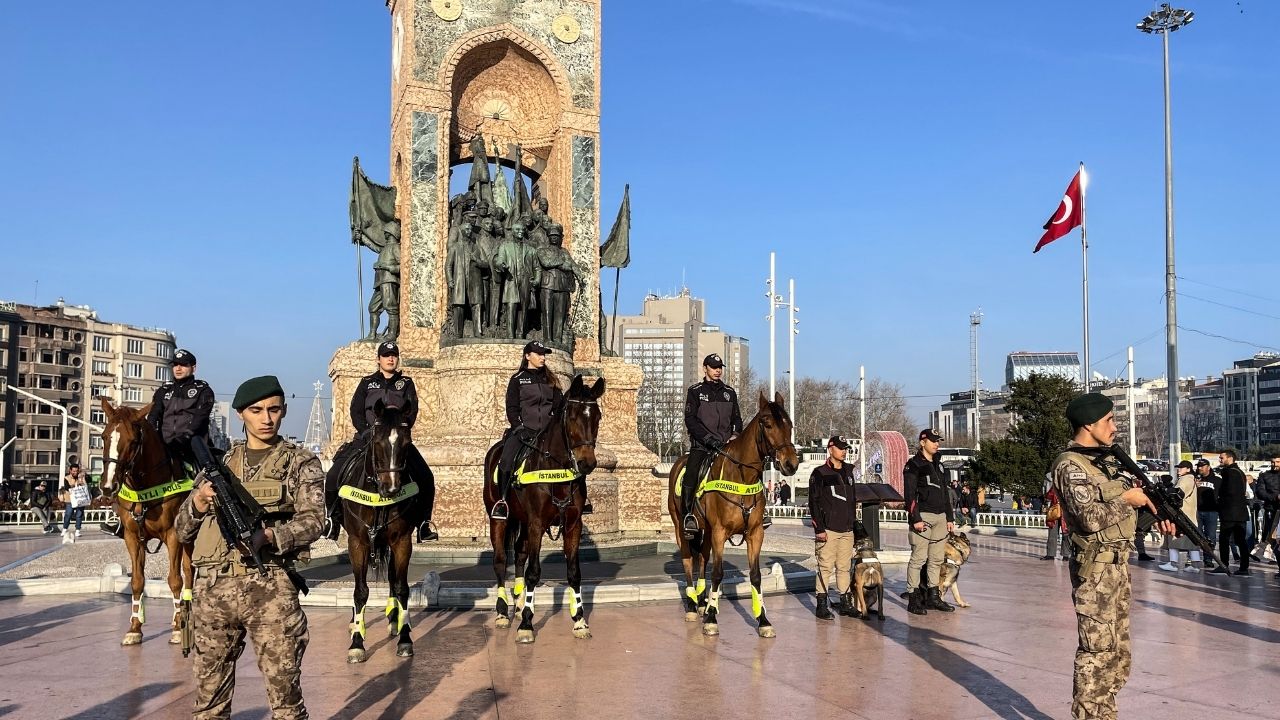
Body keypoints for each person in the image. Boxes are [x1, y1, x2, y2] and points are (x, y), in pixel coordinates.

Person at [175, 376, 324, 720]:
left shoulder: (300, 463)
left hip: (270, 588)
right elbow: (182, 530)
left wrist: (271, 537)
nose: (266, 418)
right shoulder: (221, 464)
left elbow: (314, 521)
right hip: (212, 592)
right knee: (209, 702)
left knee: (286, 699)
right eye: (257, 410)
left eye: (273, 409)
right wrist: (198, 501)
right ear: (241, 414)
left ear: (283, 411)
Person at [1051, 392, 1176, 720]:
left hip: (1119, 570)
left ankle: (1105, 715)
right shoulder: (1069, 465)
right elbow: (1090, 518)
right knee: (1095, 654)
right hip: (1095, 573)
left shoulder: (1109, 462)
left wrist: (1155, 513)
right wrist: (1129, 500)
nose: (1115, 426)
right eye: (1109, 420)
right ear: (1089, 424)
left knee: (1118, 657)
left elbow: (1126, 516)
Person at [324, 341, 436, 542]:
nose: (390, 358)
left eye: (393, 355)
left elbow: (412, 410)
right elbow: (356, 411)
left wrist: (401, 430)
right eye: (386, 355)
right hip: (367, 438)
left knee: (426, 476)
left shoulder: (406, 383)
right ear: (379, 359)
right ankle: (332, 519)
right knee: (333, 475)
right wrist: (366, 432)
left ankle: (423, 524)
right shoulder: (367, 382)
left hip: (395, 441)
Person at [492, 341, 582, 519]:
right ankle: (502, 501)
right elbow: (512, 408)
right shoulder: (518, 379)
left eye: (544, 354)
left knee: (576, 456)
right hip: (524, 431)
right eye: (539, 354)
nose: (543, 358)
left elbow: (558, 407)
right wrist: (518, 428)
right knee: (506, 459)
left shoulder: (551, 379)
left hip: (547, 433)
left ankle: (580, 498)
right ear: (527, 356)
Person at [679, 353, 743, 538]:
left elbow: (737, 419)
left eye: (720, 367)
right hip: (702, 446)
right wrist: (707, 438)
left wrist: (735, 435)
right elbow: (690, 420)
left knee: (749, 468)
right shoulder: (695, 391)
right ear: (705, 368)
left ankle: (757, 513)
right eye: (714, 367)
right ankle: (687, 517)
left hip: (725, 446)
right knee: (691, 475)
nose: (718, 371)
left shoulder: (729, 392)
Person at [902, 428, 955, 616]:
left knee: (936, 559)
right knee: (918, 559)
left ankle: (934, 596)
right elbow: (909, 495)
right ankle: (914, 597)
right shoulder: (913, 465)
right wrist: (915, 518)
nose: (936, 443)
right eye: (933, 440)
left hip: (940, 517)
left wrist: (949, 517)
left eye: (938, 440)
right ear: (922, 442)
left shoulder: (939, 465)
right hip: (923, 517)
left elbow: (945, 493)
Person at [808, 436, 859, 619]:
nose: (844, 451)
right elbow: (813, 503)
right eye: (840, 448)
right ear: (830, 449)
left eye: (845, 448)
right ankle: (821, 604)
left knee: (844, 567)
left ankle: (845, 602)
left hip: (847, 529)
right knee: (825, 567)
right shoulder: (819, 473)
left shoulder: (848, 471)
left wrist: (854, 522)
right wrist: (819, 529)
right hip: (828, 529)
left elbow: (852, 499)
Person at [147, 349, 218, 478]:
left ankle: (215, 479)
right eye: (175, 364)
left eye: (183, 365)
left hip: (192, 443)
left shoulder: (203, 390)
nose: (178, 368)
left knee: (198, 444)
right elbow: (153, 415)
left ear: (193, 368)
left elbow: (200, 418)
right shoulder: (163, 390)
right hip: (165, 442)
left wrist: (185, 436)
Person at [1212, 449, 1250, 576]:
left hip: (1229, 512)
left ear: (1230, 458)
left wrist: (1219, 502)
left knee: (1224, 539)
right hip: (1240, 512)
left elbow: (1228, 492)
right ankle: (1244, 567)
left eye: (1222, 458)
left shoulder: (1229, 473)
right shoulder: (1240, 472)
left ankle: (1224, 565)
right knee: (1241, 540)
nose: (1220, 460)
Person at [1159, 461, 1202, 572]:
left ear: (1188, 469)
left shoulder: (1186, 479)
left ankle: (1173, 564)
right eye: (1178, 468)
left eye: (1181, 468)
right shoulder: (1190, 479)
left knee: (1173, 539)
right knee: (1192, 541)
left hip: (1182, 516)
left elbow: (1178, 494)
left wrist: (1167, 489)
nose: (1179, 470)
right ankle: (1195, 566)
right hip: (1189, 516)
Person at [1252, 456, 1280, 564]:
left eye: (1277, 462)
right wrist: (1275, 497)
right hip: (1271, 509)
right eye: (1273, 462)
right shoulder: (1265, 476)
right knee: (1272, 535)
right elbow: (1260, 492)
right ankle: (1274, 557)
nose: (1275, 464)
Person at [1194, 458, 1220, 565]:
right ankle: (1193, 558)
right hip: (1197, 511)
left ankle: (1208, 559)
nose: (1199, 468)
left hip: (1211, 511)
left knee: (1211, 536)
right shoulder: (1195, 479)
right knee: (1195, 535)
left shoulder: (1217, 480)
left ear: (1208, 467)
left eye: (1202, 466)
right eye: (1198, 466)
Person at [60, 463, 88, 543]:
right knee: (68, 514)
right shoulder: (66, 478)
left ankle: (78, 530)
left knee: (79, 515)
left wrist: (83, 477)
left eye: (76, 471)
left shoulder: (81, 477)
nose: (75, 472)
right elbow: (66, 487)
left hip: (80, 499)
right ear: (70, 471)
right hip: (70, 499)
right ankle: (65, 529)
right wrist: (75, 485)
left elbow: (88, 482)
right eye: (73, 471)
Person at [1042, 485, 1069, 561]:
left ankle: (1066, 555)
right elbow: (1048, 497)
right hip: (1055, 512)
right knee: (1052, 534)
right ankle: (1050, 554)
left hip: (1066, 513)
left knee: (1066, 535)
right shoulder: (1054, 487)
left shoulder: (1069, 487)